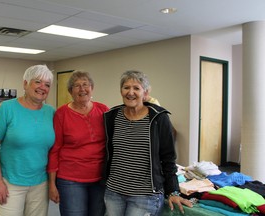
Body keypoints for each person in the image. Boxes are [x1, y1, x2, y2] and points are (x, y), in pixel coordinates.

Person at [103, 70, 193, 216]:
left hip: (144, 195)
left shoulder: (158, 118)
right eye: (126, 87)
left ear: (145, 92)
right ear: (121, 91)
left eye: (136, 88)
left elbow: (168, 157)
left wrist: (173, 191)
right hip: (114, 192)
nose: (130, 92)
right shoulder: (111, 117)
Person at [0, 65, 55, 216]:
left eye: (47, 84)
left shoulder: (51, 112)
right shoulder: (7, 108)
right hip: (10, 183)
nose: (42, 87)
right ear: (25, 84)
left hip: (40, 183)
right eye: (37, 82)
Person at [47, 71, 109, 216]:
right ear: (70, 91)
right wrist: (52, 184)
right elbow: (55, 149)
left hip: (100, 179)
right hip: (71, 179)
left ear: (92, 88)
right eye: (76, 86)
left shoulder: (103, 110)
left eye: (85, 85)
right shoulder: (61, 114)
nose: (82, 89)